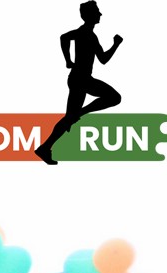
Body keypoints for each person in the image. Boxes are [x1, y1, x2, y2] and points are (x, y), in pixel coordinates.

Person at [37, 2, 122, 163]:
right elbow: (64, 37)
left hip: (81, 78)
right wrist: (68, 60)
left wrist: (115, 45)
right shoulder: (83, 32)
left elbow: (103, 59)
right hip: (80, 79)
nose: (100, 14)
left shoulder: (91, 35)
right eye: (97, 12)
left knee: (69, 118)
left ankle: (45, 148)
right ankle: (79, 114)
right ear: (89, 15)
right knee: (114, 97)